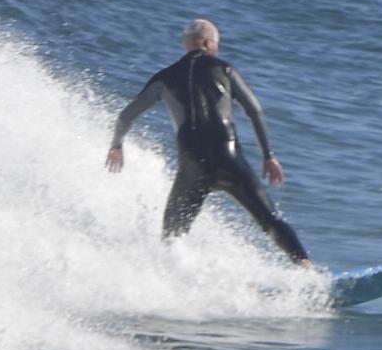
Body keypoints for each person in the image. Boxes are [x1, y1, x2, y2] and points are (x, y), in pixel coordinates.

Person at [105, 18, 312, 264]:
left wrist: (116, 145)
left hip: (193, 168)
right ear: (207, 43)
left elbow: (126, 116)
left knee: (171, 236)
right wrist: (268, 156)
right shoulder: (225, 70)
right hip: (230, 162)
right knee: (270, 221)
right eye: (216, 44)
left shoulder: (165, 77)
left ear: (186, 45)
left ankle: (167, 283)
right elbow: (254, 110)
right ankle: (306, 268)